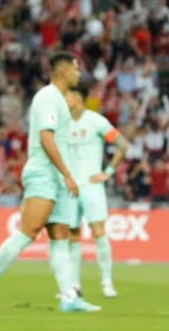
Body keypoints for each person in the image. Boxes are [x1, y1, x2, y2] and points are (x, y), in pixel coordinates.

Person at [0, 52, 100, 313]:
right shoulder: (48, 97)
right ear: (63, 71)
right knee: (28, 231)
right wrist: (66, 173)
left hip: (57, 178)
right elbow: (46, 139)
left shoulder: (60, 101)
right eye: (75, 68)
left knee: (60, 235)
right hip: (43, 173)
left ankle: (68, 296)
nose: (78, 72)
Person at [65, 84, 127, 299]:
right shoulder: (61, 123)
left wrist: (108, 172)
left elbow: (123, 144)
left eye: (68, 95)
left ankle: (107, 283)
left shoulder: (95, 121)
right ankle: (73, 285)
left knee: (98, 232)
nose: (65, 99)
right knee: (71, 235)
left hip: (92, 185)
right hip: (70, 187)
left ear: (78, 98)